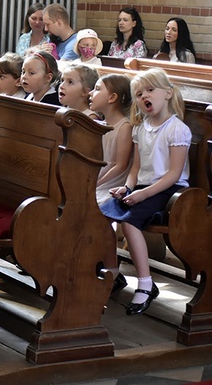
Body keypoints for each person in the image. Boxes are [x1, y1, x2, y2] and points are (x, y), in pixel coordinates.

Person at [100, 68, 190, 316]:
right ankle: (113, 273)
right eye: (139, 94)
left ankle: (146, 284)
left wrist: (143, 194)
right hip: (143, 186)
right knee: (101, 215)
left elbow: (173, 174)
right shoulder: (141, 128)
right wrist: (128, 187)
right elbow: (136, 168)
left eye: (150, 90)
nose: (144, 97)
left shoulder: (177, 129)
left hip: (170, 191)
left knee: (129, 223)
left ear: (168, 93)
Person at [89, 74, 133, 206]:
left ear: (112, 97)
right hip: (98, 178)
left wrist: (94, 184)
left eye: (97, 89)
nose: (91, 93)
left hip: (111, 183)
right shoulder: (100, 125)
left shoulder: (124, 127)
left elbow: (120, 166)